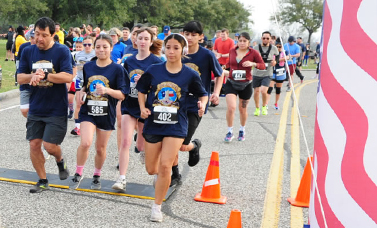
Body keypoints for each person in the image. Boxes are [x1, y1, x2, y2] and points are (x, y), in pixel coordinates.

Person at [137, 33, 208, 222]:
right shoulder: (153, 70)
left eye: (176, 48)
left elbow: (203, 94)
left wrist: (202, 104)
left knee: (166, 165)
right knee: (152, 169)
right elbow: (142, 90)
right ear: (164, 48)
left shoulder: (190, 74)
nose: (171, 51)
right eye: (168, 47)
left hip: (176, 125)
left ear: (183, 50)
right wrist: (143, 108)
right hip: (154, 124)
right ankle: (160, 177)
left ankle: (156, 207)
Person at [17, 17, 73, 193]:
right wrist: (32, 76)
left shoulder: (62, 51)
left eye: (44, 35)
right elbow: (20, 78)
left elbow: (67, 77)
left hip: (56, 107)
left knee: (49, 146)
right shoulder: (27, 51)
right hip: (36, 106)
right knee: (34, 144)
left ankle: (59, 159)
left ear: (53, 35)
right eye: (36, 34)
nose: (39, 39)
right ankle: (42, 180)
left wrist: (45, 76)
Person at [70, 34, 129, 189]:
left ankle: (97, 174)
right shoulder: (89, 66)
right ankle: (78, 172)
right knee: (85, 142)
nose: (101, 50)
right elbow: (85, 85)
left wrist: (107, 90)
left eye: (105, 47)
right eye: (98, 47)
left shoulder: (117, 69)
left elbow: (122, 95)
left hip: (106, 112)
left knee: (100, 148)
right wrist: (82, 92)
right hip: (88, 110)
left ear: (111, 48)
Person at [169, 21, 224, 186]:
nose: (190, 37)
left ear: (201, 37)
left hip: (197, 105)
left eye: (194, 35)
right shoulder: (177, 52)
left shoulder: (207, 55)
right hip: (175, 103)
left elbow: (220, 74)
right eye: (187, 34)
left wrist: (215, 93)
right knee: (172, 140)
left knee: (182, 144)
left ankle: (194, 146)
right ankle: (175, 174)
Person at [113, 27, 162, 190]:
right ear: (135, 40)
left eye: (146, 39)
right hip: (130, 105)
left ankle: (155, 169)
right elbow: (124, 84)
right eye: (140, 38)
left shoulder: (157, 62)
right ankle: (121, 178)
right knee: (126, 141)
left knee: (142, 146)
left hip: (147, 108)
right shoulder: (129, 61)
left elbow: (160, 87)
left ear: (151, 41)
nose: (142, 41)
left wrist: (145, 82)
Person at [223, 32, 265, 142]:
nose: (242, 43)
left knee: (243, 109)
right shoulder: (232, 51)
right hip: (231, 83)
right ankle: (230, 131)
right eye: (240, 41)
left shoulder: (253, 53)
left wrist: (253, 64)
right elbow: (229, 64)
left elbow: (262, 66)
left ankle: (242, 129)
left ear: (248, 42)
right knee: (231, 107)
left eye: (244, 41)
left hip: (245, 84)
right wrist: (224, 67)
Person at [71, 37, 96, 136]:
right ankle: (77, 127)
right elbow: (75, 67)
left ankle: (92, 123)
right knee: (78, 103)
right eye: (85, 44)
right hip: (80, 80)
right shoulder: (78, 55)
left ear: (92, 45)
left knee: (91, 102)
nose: (87, 47)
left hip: (92, 81)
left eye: (89, 44)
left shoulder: (95, 54)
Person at [252, 31, 278, 116]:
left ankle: (264, 106)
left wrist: (275, 61)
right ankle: (257, 108)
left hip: (267, 73)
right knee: (256, 91)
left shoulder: (274, 48)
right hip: (257, 73)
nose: (265, 40)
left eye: (267, 38)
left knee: (263, 91)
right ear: (261, 38)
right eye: (264, 38)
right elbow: (251, 57)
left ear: (270, 39)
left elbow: (277, 56)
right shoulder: (255, 48)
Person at [266, 38, 289, 110]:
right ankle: (266, 103)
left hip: (281, 72)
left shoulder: (285, 52)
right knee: (270, 88)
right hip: (272, 71)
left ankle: (276, 103)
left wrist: (278, 59)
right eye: (277, 46)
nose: (278, 48)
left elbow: (287, 57)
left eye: (280, 47)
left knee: (278, 89)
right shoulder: (272, 52)